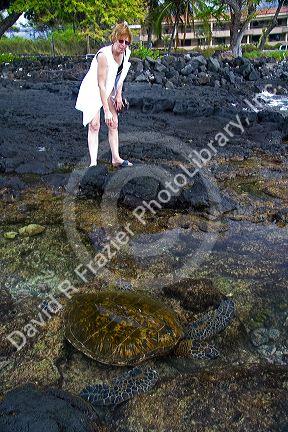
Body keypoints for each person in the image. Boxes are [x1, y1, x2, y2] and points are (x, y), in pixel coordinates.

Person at [75, 22, 133, 168]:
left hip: (109, 88)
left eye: (126, 42)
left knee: (114, 123)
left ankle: (116, 158)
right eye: (121, 41)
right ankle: (93, 162)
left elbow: (120, 76)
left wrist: (118, 95)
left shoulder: (125, 53)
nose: (123, 45)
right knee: (94, 125)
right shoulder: (103, 56)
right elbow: (100, 84)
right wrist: (106, 110)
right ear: (114, 38)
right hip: (94, 88)